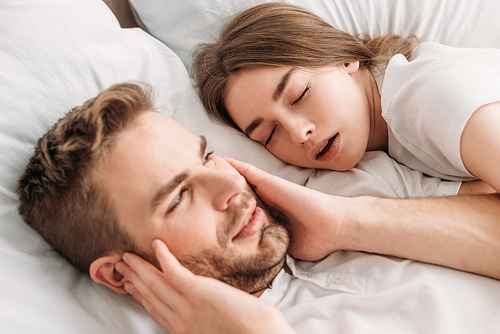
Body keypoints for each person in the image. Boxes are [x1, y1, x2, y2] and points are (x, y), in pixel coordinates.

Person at [17, 82, 500, 334]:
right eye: (180, 196)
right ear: (122, 275)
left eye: (206, 156)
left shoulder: (351, 187)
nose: (229, 183)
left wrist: (346, 224)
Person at [194, 2, 500, 195]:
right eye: (269, 134)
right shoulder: (382, 146)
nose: (299, 133)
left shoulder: (432, 96)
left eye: (300, 94)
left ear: (344, 58)